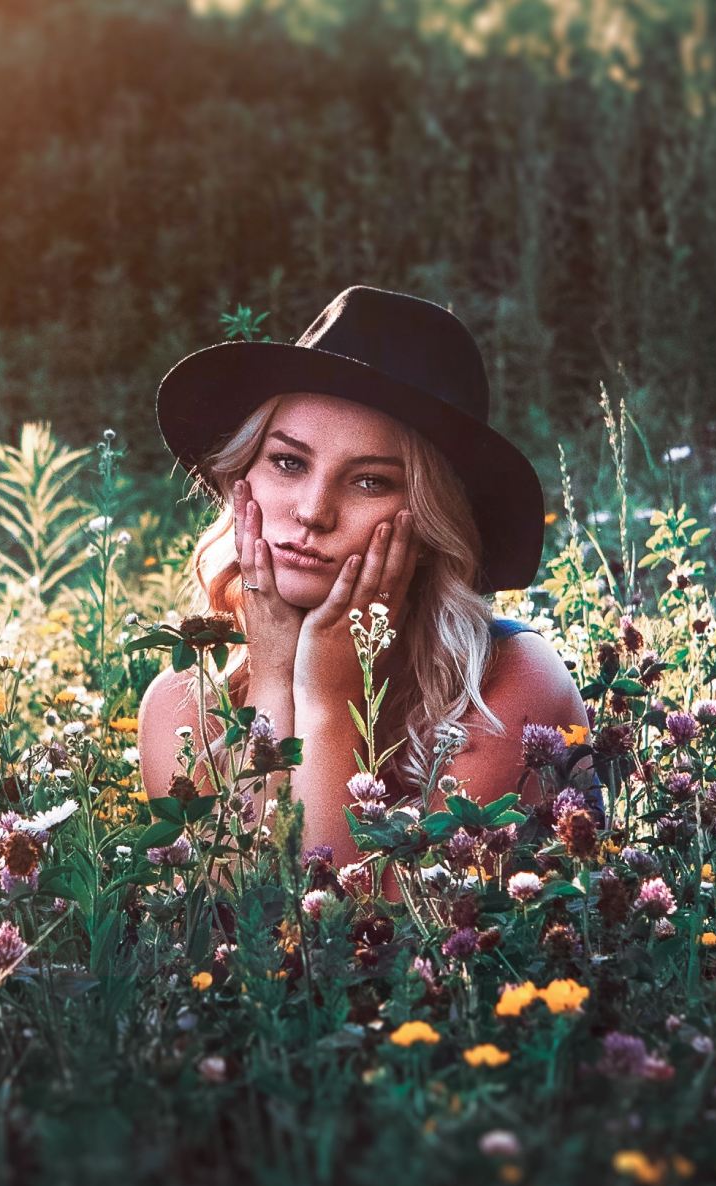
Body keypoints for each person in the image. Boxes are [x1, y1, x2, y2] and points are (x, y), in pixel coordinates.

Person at [138, 285, 596, 878]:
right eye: (288, 462)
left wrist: (331, 702)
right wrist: (275, 678)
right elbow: (240, 926)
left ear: (432, 519)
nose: (313, 512)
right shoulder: (183, 705)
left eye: (370, 482)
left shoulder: (507, 684)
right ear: (240, 475)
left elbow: (354, 945)